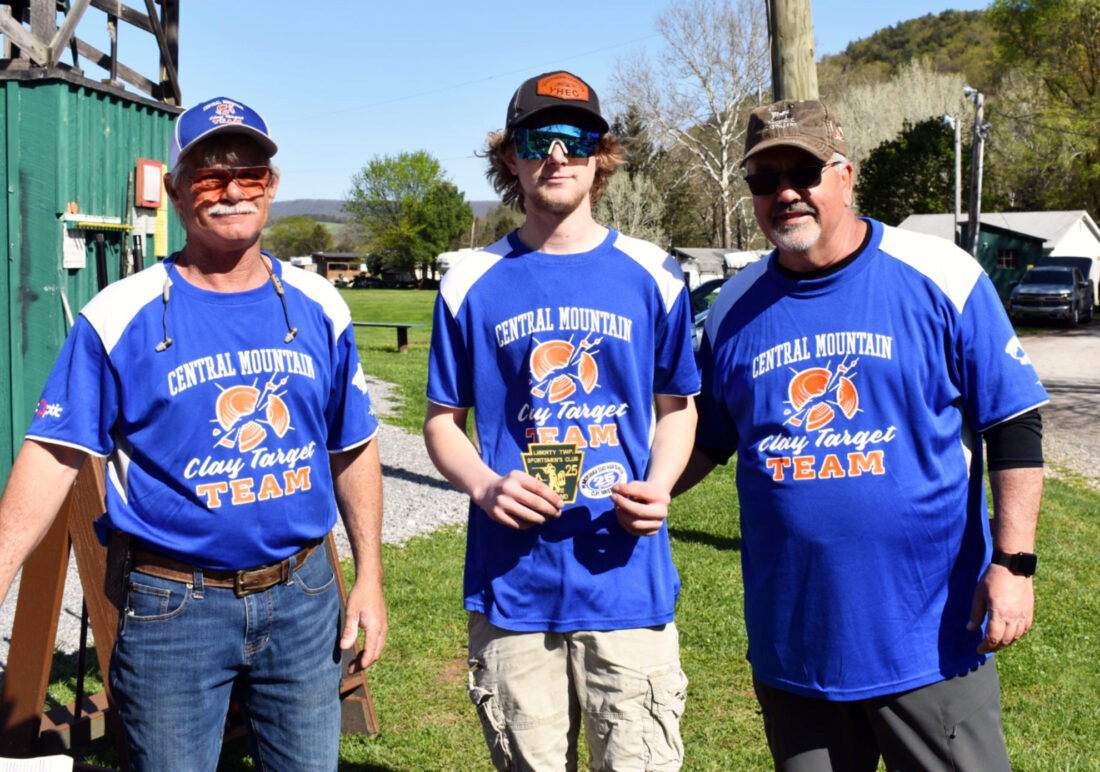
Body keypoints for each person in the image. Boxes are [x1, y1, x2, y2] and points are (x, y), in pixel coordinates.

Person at [0, 96, 386, 770]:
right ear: (176, 192)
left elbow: (351, 444)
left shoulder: (320, 305)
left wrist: (370, 576)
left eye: (251, 174)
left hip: (304, 595)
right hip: (174, 606)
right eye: (209, 176)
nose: (232, 190)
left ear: (272, 186)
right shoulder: (119, 314)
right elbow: (54, 454)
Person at [678, 98, 1048, 770]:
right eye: (765, 179)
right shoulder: (732, 310)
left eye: (804, 171)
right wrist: (623, 492)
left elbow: (1013, 422)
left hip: (931, 638)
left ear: (845, 175)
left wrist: (1014, 564)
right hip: (796, 646)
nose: (785, 192)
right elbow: (705, 438)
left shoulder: (942, 276)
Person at [423, 71, 700, 771]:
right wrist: (485, 486)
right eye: (535, 139)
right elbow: (440, 422)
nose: (556, 154)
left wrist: (661, 485)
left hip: (626, 579)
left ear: (599, 154)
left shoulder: (655, 274)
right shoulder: (469, 281)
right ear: (510, 157)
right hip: (513, 586)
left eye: (574, 139)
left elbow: (679, 408)